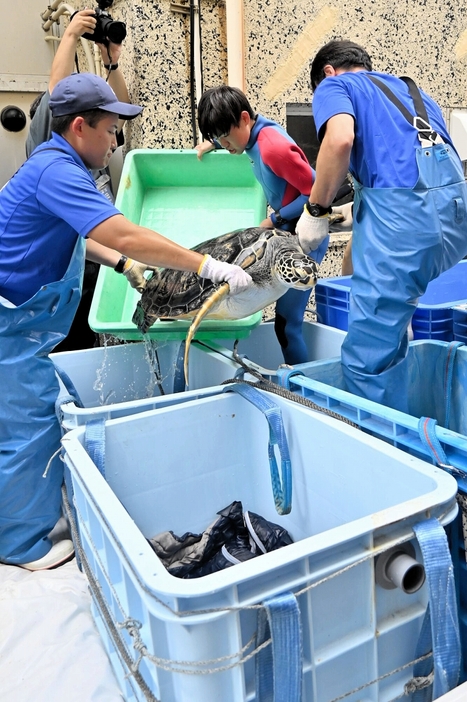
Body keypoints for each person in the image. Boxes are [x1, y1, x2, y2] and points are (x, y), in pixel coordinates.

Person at [0, 72, 252, 571]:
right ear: (78, 127)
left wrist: (121, 266)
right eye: (110, 128)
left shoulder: (52, 164)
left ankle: (23, 517)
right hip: (11, 325)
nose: (115, 139)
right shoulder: (58, 172)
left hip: (20, 321)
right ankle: (19, 545)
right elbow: (124, 233)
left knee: (32, 413)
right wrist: (207, 265)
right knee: (26, 426)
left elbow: (86, 238)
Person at [296, 39, 467, 410]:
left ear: (328, 71)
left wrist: (317, 209)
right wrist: (355, 210)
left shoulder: (335, 85)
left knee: (366, 362)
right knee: (389, 306)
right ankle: (396, 323)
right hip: (455, 219)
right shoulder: (412, 91)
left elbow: (340, 140)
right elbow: (412, 169)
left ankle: (383, 451)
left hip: (406, 226)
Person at [196, 85, 352, 365]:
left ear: (244, 118)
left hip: (304, 237)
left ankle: (301, 385)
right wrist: (214, 142)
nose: (226, 145)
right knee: (282, 320)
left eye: (225, 136)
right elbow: (234, 136)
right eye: (220, 138)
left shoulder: (272, 148)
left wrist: (274, 219)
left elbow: (316, 189)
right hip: (286, 233)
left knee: (287, 324)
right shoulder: (252, 133)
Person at [26, 9, 136, 351]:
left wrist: (112, 63)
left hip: (90, 259)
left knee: (84, 339)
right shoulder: (49, 158)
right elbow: (56, 91)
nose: (113, 139)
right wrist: (71, 34)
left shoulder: (89, 157)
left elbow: (121, 108)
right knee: (62, 344)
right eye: (107, 130)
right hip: (56, 276)